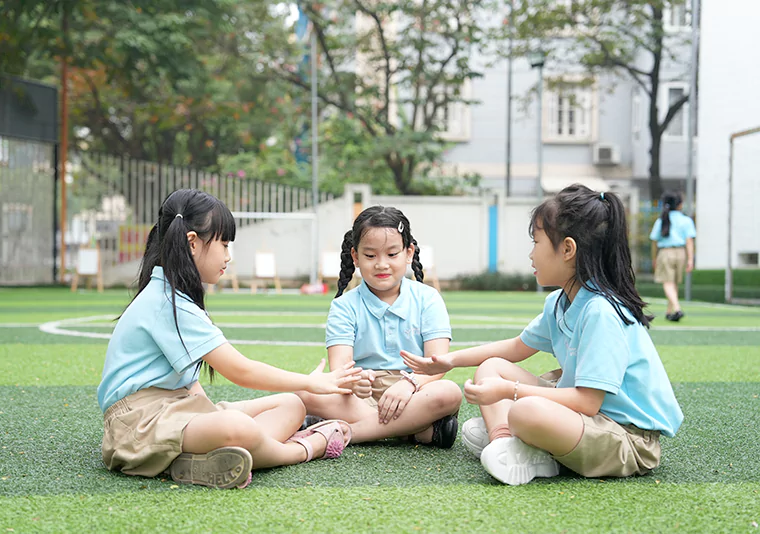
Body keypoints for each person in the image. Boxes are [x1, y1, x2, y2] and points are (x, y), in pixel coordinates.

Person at [401, 185, 683, 486]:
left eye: (536, 242)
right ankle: (504, 441)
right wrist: (449, 361)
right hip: (588, 419)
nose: (531, 254)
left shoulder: (601, 311)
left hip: (627, 438)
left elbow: (587, 402)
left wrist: (508, 391)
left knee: (525, 410)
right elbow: (515, 347)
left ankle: (527, 441)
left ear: (568, 250)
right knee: (491, 367)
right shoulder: (561, 302)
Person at [97, 189, 361, 489]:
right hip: (138, 425)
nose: (228, 255)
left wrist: (207, 418)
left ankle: (199, 460)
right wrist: (311, 383)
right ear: (193, 243)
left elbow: (188, 383)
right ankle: (303, 449)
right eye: (223, 244)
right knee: (238, 426)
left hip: (179, 410)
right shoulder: (165, 302)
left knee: (292, 404)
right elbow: (240, 370)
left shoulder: (176, 296)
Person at [296, 206, 463, 448]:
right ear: (355, 257)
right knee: (304, 392)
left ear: (408, 253)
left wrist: (409, 384)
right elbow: (341, 368)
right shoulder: (344, 305)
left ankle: (350, 431)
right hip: (361, 397)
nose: (382, 264)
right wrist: (355, 381)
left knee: (449, 392)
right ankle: (414, 431)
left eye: (392, 254)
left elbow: (436, 364)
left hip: (414, 392)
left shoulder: (428, 298)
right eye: (370, 256)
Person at [650, 191, 696, 321]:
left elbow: (654, 241)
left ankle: (677, 308)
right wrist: (690, 259)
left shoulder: (661, 220)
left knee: (668, 283)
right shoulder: (686, 220)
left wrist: (654, 258)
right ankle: (669, 312)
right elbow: (689, 241)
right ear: (680, 205)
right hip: (681, 253)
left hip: (665, 252)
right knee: (674, 283)